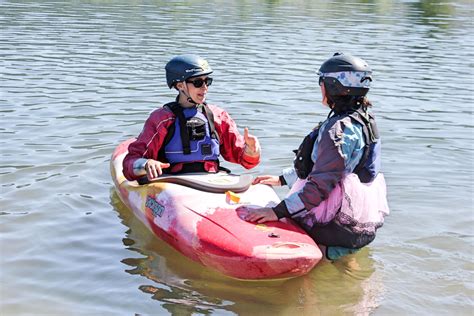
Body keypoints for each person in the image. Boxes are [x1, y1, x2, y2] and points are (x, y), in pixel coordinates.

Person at [239, 53, 389, 260]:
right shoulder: (364, 121)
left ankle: (322, 263)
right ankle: (344, 262)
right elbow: (332, 168)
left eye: (322, 82)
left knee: (310, 261)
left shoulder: (337, 131)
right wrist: (283, 179)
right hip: (357, 216)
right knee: (345, 264)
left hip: (331, 219)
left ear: (333, 87)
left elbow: (321, 183)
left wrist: (278, 211)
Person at [123, 54, 261, 182]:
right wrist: (146, 163)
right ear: (180, 85)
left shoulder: (218, 116)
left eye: (207, 81)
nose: (205, 87)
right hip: (174, 182)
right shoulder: (162, 119)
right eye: (198, 82)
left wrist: (251, 152)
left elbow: (244, 160)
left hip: (212, 181)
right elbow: (130, 162)